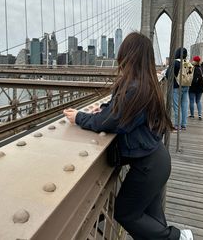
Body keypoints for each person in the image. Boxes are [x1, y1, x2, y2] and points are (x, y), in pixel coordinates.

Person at [64, 32, 193, 240]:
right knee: (152, 220)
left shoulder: (136, 88)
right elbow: (115, 109)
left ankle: (179, 238)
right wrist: (102, 109)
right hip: (156, 160)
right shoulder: (143, 84)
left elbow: (111, 121)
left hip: (149, 166)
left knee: (125, 212)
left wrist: (80, 117)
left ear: (129, 55)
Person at [167, 47, 192, 131]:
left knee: (177, 106)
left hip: (177, 87)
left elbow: (168, 74)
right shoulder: (188, 63)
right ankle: (184, 125)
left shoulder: (175, 62)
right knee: (184, 106)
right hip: (186, 86)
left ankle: (177, 125)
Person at [189, 56, 203, 120]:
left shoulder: (191, 67)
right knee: (198, 101)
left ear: (194, 61)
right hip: (200, 87)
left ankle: (192, 115)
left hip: (192, 87)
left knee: (191, 101)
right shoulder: (202, 68)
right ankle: (199, 115)